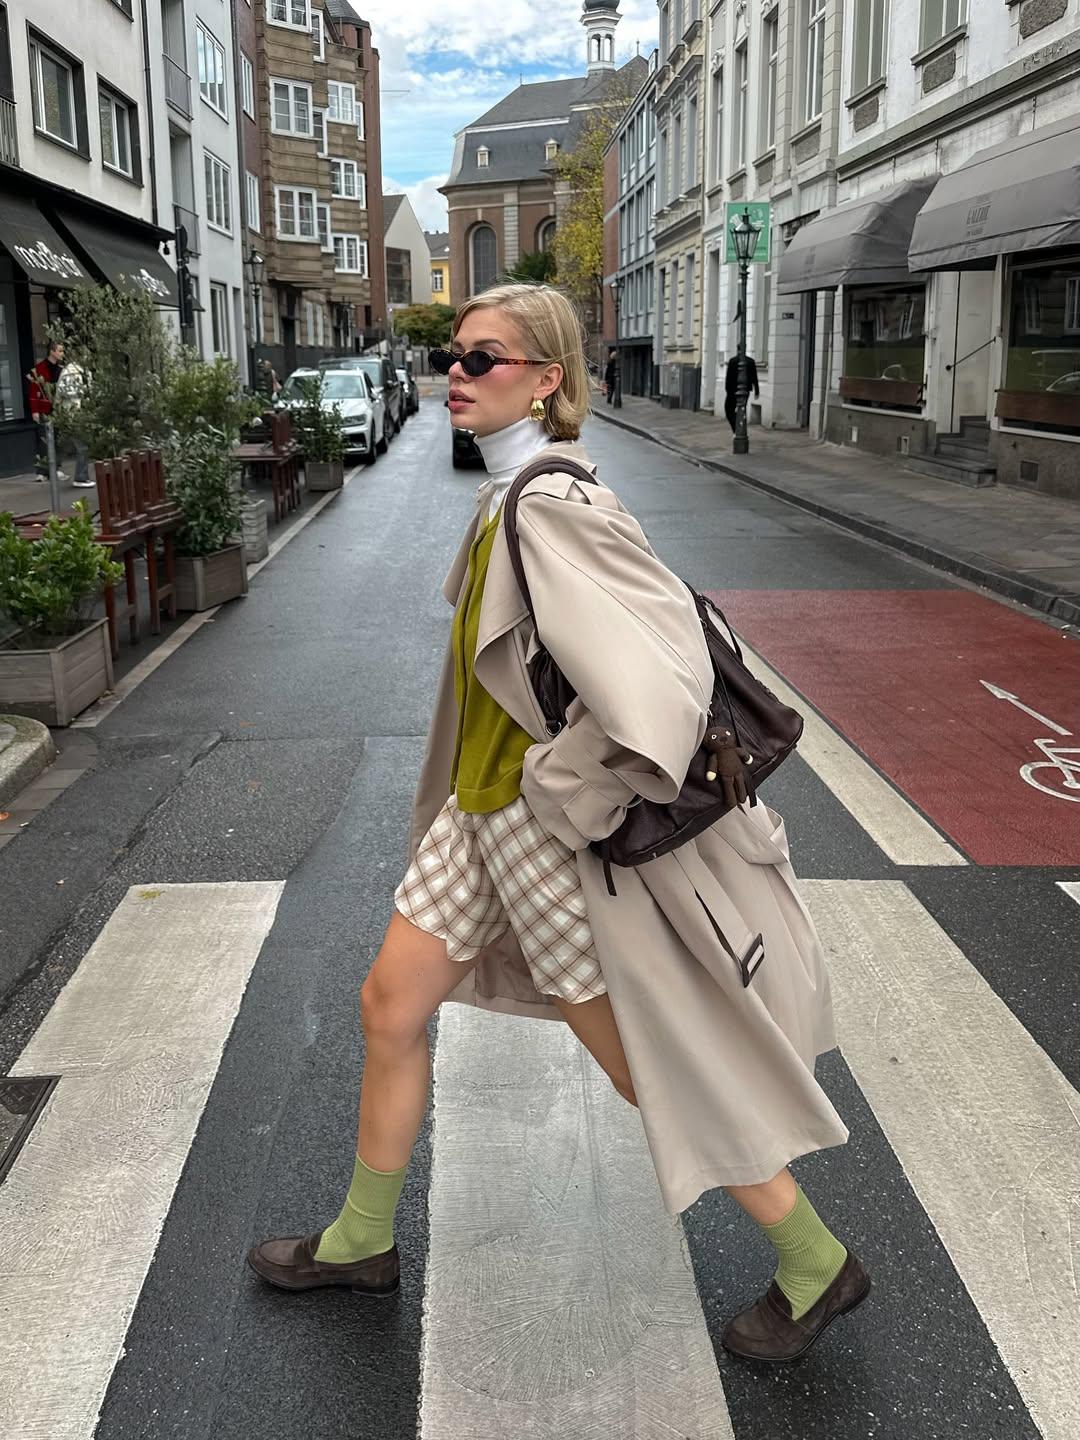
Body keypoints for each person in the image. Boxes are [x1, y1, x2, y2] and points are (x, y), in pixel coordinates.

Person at [247, 283, 869, 1363]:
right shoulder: (506, 498)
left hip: (536, 831)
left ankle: (815, 1261)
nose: (455, 374)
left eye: (482, 359)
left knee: (641, 1063)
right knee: (390, 1005)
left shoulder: (554, 508)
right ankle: (361, 1239)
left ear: (547, 378)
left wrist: (562, 793)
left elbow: (665, 690)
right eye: (452, 355)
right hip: (477, 821)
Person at [28, 340, 66, 481]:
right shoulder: (39, 369)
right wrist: (35, 411)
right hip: (44, 408)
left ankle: (56, 468)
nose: (62, 353)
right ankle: (42, 471)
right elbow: (33, 391)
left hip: (58, 409)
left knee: (57, 439)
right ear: (52, 351)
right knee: (44, 439)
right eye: (60, 350)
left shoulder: (62, 369)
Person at [55, 359, 94, 487]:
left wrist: (59, 411)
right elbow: (89, 393)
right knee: (82, 446)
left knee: (74, 445)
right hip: (78, 414)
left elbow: (58, 395)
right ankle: (80, 477)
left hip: (68, 414)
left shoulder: (66, 371)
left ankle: (54, 469)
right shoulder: (83, 372)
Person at [725, 351, 760, 433]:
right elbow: (755, 377)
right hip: (746, 390)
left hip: (732, 391)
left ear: (737, 350)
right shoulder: (750, 361)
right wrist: (757, 391)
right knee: (742, 409)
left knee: (729, 410)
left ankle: (737, 429)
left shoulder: (732, 361)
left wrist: (727, 390)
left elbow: (728, 377)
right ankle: (740, 428)